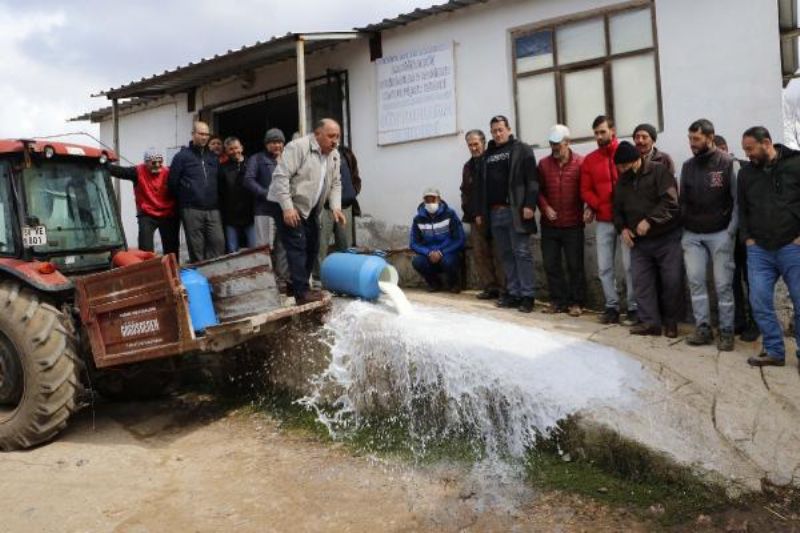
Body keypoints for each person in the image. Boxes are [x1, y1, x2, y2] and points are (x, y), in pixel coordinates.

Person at [738, 126, 800, 368]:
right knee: (759, 301)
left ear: (766, 143)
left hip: (792, 246)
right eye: (745, 150)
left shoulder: (796, 164)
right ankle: (774, 351)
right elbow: (742, 209)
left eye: (750, 149)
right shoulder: (745, 174)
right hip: (759, 249)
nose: (748, 154)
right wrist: (748, 238)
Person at [268, 118, 344, 305]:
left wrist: (335, 207)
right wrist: (287, 208)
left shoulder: (334, 155)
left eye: (338, 137)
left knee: (313, 246)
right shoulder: (298, 147)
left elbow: (335, 183)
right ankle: (302, 293)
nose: (335, 141)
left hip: (309, 208)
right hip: (287, 203)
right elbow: (280, 177)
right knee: (297, 246)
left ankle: (296, 286)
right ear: (317, 134)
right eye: (331, 136)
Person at [613, 141, 682, 337]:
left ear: (637, 160)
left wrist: (650, 220)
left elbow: (671, 202)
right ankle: (649, 323)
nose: (622, 170)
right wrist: (623, 229)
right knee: (641, 283)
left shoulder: (659, 171)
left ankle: (671, 323)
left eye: (625, 166)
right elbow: (616, 210)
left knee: (671, 282)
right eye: (619, 167)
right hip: (639, 242)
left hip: (666, 237)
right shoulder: (622, 180)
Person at [680, 119, 738, 351]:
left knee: (723, 285)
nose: (692, 144)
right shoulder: (687, 166)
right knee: (696, 282)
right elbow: (682, 201)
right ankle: (703, 328)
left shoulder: (727, 164)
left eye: (696, 139)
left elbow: (738, 202)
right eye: (690, 139)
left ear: (710, 137)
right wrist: (685, 231)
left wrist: (730, 232)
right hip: (693, 235)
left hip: (720, 234)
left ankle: (726, 331)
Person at [474, 115, 539, 313]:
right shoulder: (487, 155)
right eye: (494, 131)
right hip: (495, 213)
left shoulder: (522, 149)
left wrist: (530, 205)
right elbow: (481, 186)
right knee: (506, 254)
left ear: (508, 129)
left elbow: (533, 181)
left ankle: (527, 295)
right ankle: (513, 292)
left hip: (516, 211)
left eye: (500, 130)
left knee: (521, 253)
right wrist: (480, 212)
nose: (497, 134)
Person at [581, 115, 637, 325]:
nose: (599, 136)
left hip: (627, 222)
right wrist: (598, 205)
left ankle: (633, 307)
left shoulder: (626, 153)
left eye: (602, 132)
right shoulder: (590, 160)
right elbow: (585, 189)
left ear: (612, 131)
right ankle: (611, 306)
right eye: (596, 133)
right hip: (604, 220)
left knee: (630, 266)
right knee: (604, 266)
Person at [714, 135, 760, 342]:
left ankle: (755, 323)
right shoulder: (712, 174)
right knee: (731, 282)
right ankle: (738, 321)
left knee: (752, 281)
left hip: (748, 236)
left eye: (722, 148)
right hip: (725, 236)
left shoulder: (745, 168)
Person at [537, 124, 586, 316]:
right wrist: (545, 207)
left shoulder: (581, 163)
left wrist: (589, 207)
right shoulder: (543, 164)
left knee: (575, 265)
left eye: (558, 144)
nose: (554, 148)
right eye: (551, 144)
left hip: (573, 224)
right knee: (551, 264)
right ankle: (557, 301)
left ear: (568, 142)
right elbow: (537, 191)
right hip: (550, 226)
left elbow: (586, 190)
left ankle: (577, 302)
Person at [168, 121, 225, 262]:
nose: (204, 137)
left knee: (218, 243)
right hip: (191, 209)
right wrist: (187, 198)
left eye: (207, 134)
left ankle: (214, 276)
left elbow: (220, 181)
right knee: (196, 248)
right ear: (193, 134)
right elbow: (172, 183)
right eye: (201, 134)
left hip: (213, 209)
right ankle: (201, 279)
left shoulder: (213, 157)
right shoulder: (181, 157)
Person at [108, 148, 179, 258]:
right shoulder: (137, 172)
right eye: (154, 162)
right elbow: (120, 171)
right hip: (147, 214)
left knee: (171, 248)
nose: (157, 165)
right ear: (146, 162)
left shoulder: (168, 173)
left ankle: (174, 268)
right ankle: (147, 269)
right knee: (145, 248)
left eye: (160, 162)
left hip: (167, 213)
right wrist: (102, 164)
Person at [244, 128, 290, 289]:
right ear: (266, 144)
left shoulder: (287, 159)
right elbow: (248, 180)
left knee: (283, 247)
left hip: (284, 210)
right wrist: (266, 193)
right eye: (273, 142)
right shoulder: (257, 159)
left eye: (279, 142)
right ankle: (265, 282)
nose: (277, 145)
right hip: (264, 210)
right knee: (264, 247)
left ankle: (282, 280)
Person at [460, 129, 504, 300]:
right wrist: (469, 211)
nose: (473, 148)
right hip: (474, 217)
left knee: (499, 252)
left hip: (493, 214)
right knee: (480, 254)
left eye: (476, 144)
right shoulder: (468, 166)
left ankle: (503, 289)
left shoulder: (492, 161)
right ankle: (489, 287)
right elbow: (465, 190)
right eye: (470, 145)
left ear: (484, 143)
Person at [410, 188, 466, 292]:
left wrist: (441, 252)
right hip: (429, 255)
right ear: (423, 201)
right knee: (417, 262)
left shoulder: (450, 214)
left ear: (439, 199)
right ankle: (434, 284)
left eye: (433, 199)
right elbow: (414, 243)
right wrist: (428, 252)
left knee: (448, 261)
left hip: (447, 253)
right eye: (427, 200)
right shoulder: (418, 219)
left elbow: (459, 239)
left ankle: (453, 284)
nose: (430, 203)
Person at [318, 144, 362, 266]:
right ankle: (318, 276)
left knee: (345, 244)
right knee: (321, 245)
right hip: (325, 208)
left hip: (345, 207)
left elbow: (355, 173)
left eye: (336, 136)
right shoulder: (318, 155)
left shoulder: (346, 153)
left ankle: (345, 273)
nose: (333, 139)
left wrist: (353, 191)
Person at [218, 137, 255, 253]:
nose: (234, 151)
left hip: (250, 215)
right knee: (232, 250)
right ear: (226, 152)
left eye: (236, 148)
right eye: (230, 149)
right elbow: (220, 192)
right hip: (230, 216)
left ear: (242, 148)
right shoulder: (222, 168)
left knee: (254, 249)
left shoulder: (252, 164)